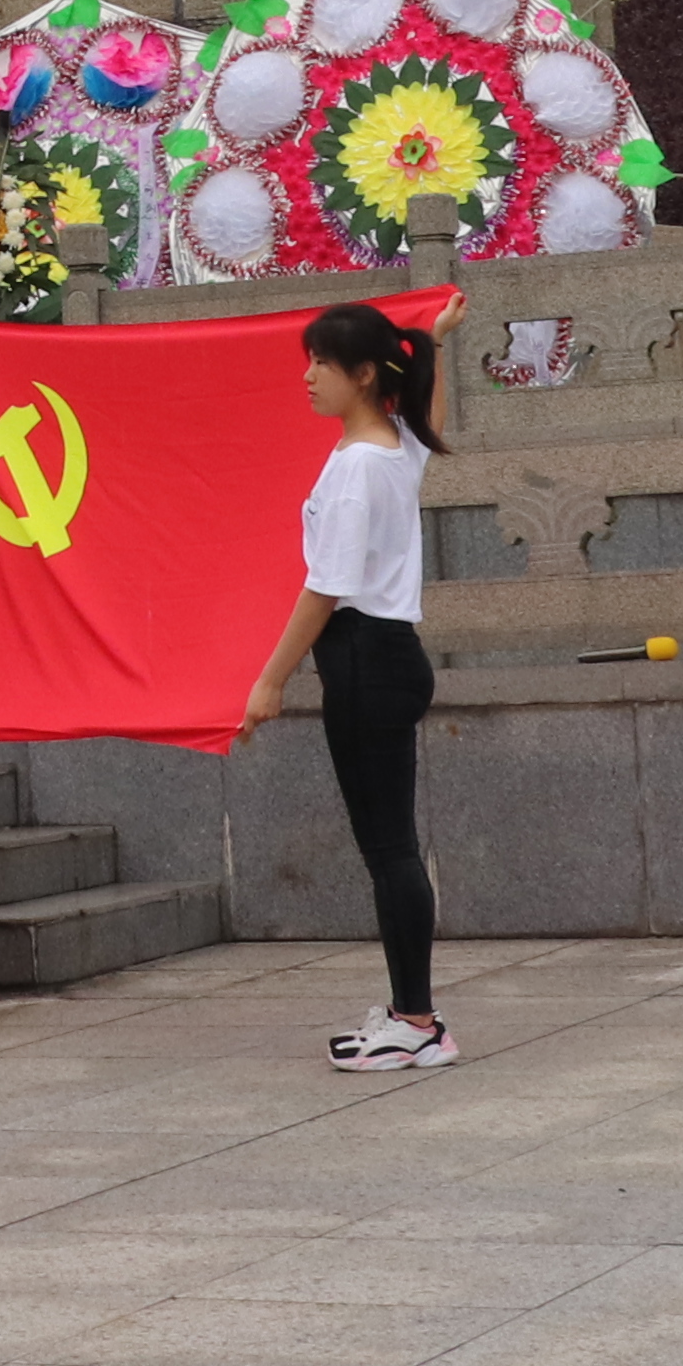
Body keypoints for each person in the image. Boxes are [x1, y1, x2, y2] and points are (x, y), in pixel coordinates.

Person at [237, 302, 451, 1072]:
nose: (308, 376)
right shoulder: (393, 447)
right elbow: (428, 406)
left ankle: (418, 1019)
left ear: (362, 375)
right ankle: (409, 1010)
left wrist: (269, 680)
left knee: (390, 850)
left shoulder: (362, 464)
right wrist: (435, 343)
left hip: (364, 658)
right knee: (390, 847)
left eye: (322, 363)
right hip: (382, 659)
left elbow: (325, 587)